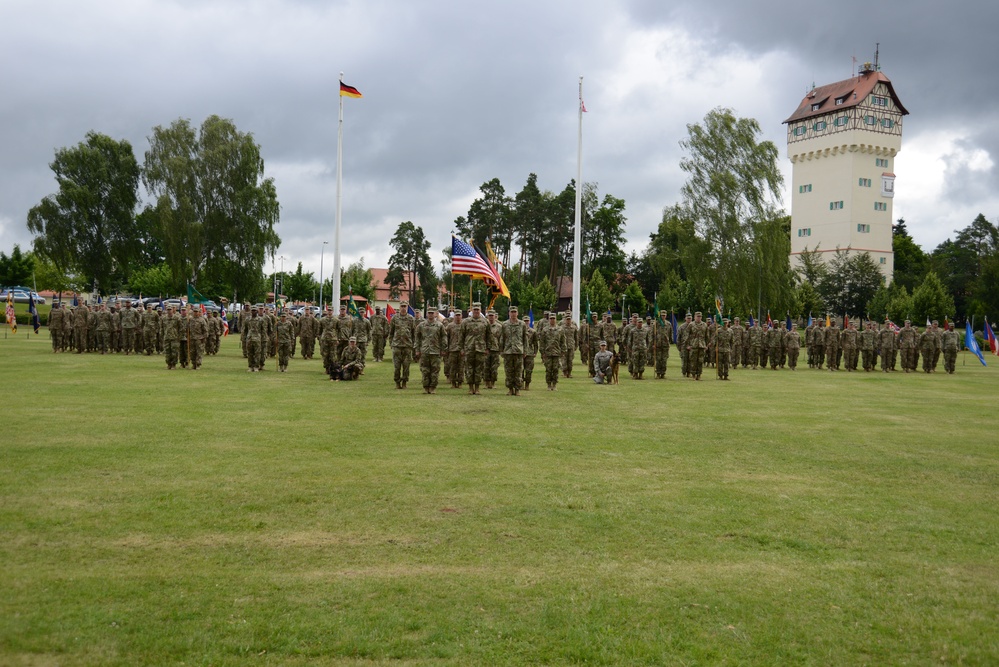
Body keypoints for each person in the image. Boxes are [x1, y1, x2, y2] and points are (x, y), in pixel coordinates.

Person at [458, 302, 489, 394]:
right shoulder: (466, 322)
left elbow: (489, 336)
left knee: (479, 369)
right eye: (474, 309)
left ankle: (477, 388)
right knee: (469, 369)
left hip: (480, 349)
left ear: (480, 311)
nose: (476, 311)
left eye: (478, 310)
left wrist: (488, 348)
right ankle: (470, 388)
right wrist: (461, 349)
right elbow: (461, 336)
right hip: (469, 348)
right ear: (472, 310)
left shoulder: (485, 322)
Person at [414, 307, 446, 393]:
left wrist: (443, 349)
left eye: (432, 313)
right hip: (424, 350)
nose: (431, 315)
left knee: (435, 370)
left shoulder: (439, 325)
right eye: (429, 313)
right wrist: (417, 349)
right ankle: (425, 387)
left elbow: (443, 337)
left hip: (436, 351)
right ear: (427, 314)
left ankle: (432, 387)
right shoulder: (421, 325)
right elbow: (417, 338)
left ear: (435, 314)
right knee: (425, 370)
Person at [500, 305, 528, 395]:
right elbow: (502, 338)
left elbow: (525, 338)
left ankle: (517, 389)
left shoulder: (522, 324)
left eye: (515, 312)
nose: (513, 314)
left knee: (518, 371)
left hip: (518, 351)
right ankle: (510, 389)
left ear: (517, 313)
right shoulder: (504, 324)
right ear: (509, 313)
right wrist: (501, 350)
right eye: (511, 312)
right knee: (509, 371)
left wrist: (525, 350)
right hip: (508, 351)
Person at [388, 300, 417, 389]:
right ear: (399, 307)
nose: (403, 308)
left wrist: (413, 345)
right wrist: (391, 343)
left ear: (407, 307)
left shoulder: (411, 318)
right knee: (397, 366)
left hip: (407, 346)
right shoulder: (395, 318)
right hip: (397, 345)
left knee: (406, 366)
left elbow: (413, 333)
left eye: (405, 306)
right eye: (402, 306)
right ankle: (397, 382)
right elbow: (391, 332)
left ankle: (404, 382)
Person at [539, 311, 566, 390]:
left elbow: (563, 341)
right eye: (551, 318)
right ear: (549, 320)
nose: (552, 320)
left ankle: (554, 384)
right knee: (548, 369)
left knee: (555, 369)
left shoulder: (560, 329)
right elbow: (542, 342)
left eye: (553, 318)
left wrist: (563, 351)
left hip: (557, 353)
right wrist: (542, 352)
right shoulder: (545, 330)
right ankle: (548, 384)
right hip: (547, 353)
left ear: (556, 319)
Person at [686, 312, 708, 380]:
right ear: (694, 317)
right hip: (693, 345)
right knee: (693, 361)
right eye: (697, 316)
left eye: (700, 316)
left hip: (701, 345)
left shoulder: (704, 325)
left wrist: (706, 345)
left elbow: (707, 336)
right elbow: (687, 336)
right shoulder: (691, 325)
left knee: (700, 361)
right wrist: (688, 345)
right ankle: (693, 375)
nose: (699, 318)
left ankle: (699, 374)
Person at [445, 309, 464, 389]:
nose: (458, 317)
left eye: (459, 315)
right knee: (452, 367)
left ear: (461, 316)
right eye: (456, 315)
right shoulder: (449, 326)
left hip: (462, 350)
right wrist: (446, 349)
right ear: (454, 316)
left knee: (461, 367)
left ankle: (460, 383)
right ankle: (453, 382)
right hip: (452, 349)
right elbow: (446, 338)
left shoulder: (464, 325)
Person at [485, 309, 503, 389]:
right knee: (486, 367)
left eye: (492, 316)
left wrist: (501, 348)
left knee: (494, 367)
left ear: (495, 316)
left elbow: (501, 338)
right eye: (490, 316)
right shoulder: (484, 325)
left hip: (495, 349)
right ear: (487, 316)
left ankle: (493, 383)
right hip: (486, 349)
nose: (491, 317)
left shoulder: (499, 326)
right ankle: (487, 383)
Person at [523, 315, 538, 390]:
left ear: (529, 321)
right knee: (520, 370)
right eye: (524, 321)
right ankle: (521, 384)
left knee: (529, 370)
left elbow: (535, 343)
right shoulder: (520, 330)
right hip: (521, 353)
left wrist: (535, 352)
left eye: (527, 321)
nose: (526, 322)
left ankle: (527, 384)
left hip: (530, 353)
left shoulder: (533, 331)